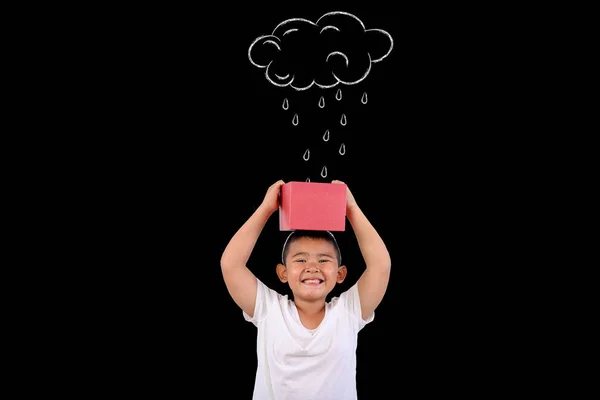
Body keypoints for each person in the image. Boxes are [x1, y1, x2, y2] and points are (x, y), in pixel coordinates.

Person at [220, 179, 391, 400]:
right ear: (283, 273)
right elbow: (230, 265)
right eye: (300, 260)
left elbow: (380, 266)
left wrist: (351, 209)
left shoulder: (348, 312)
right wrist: (265, 209)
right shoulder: (269, 310)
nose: (312, 268)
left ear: (340, 274)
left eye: (324, 260)